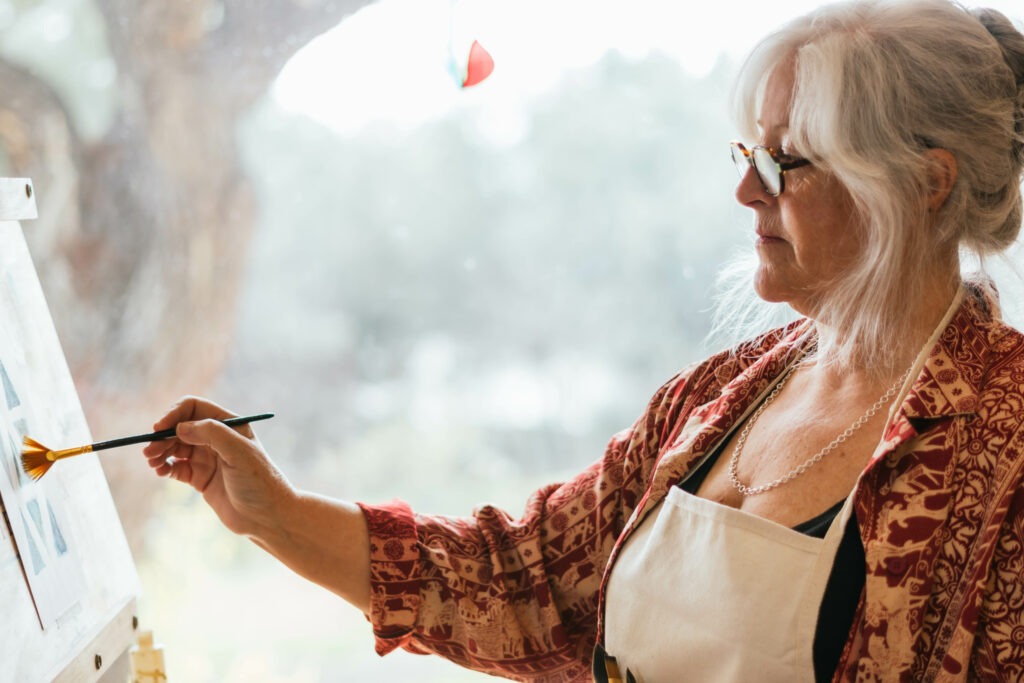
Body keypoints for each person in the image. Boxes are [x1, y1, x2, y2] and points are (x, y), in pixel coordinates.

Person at [143, 0, 1024, 680]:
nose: (747, 194)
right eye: (746, 156)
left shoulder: (1009, 441)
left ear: (922, 185)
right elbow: (519, 583)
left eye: (787, 163)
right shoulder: (716, 399)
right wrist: (277, 513)